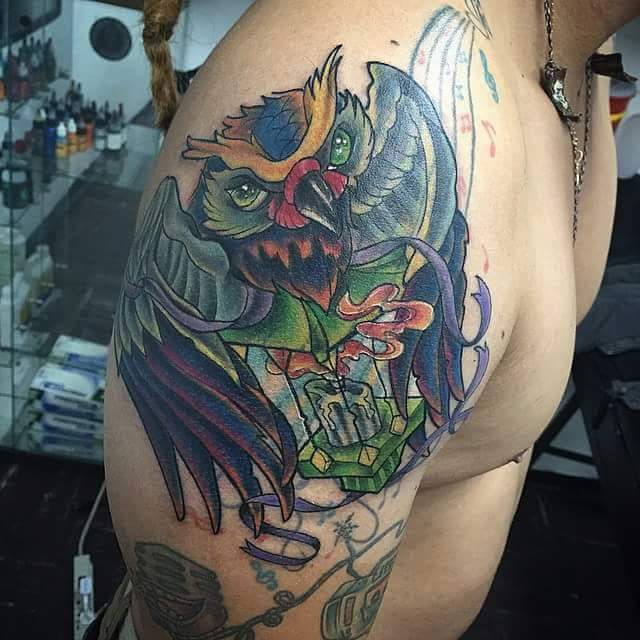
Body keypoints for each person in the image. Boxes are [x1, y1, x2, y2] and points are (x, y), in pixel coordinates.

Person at [96, 1, 640, 639]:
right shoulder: (372, 41)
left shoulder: (577, 53)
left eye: (337, 151)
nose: (315, 197)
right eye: (251, 190)